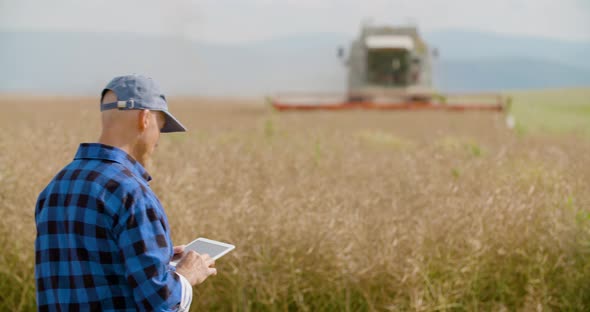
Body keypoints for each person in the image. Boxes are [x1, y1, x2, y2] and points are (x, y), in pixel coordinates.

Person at [34, 74, 216, 311]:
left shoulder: (56, 186)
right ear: (145, 118)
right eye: (160, 127)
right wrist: (186, 275)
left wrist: (161, 260)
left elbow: (90, 269)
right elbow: (160, 302)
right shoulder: (131, 193)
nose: (158, 140)